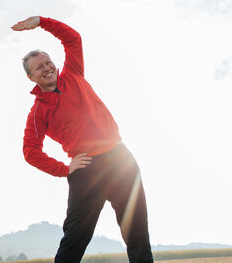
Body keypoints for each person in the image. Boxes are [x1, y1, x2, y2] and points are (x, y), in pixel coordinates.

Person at [11, 16, 154, 263]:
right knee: (76, 238)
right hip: (87, 170)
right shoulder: (38, 112)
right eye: (39, 68)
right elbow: (30, 151)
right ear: (31, 78)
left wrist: (41, 21)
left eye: (48, 62)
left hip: (120, 160)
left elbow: (72, 39)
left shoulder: (73, 74)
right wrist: (64, 169)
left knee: (137, 231)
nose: (46, 68)